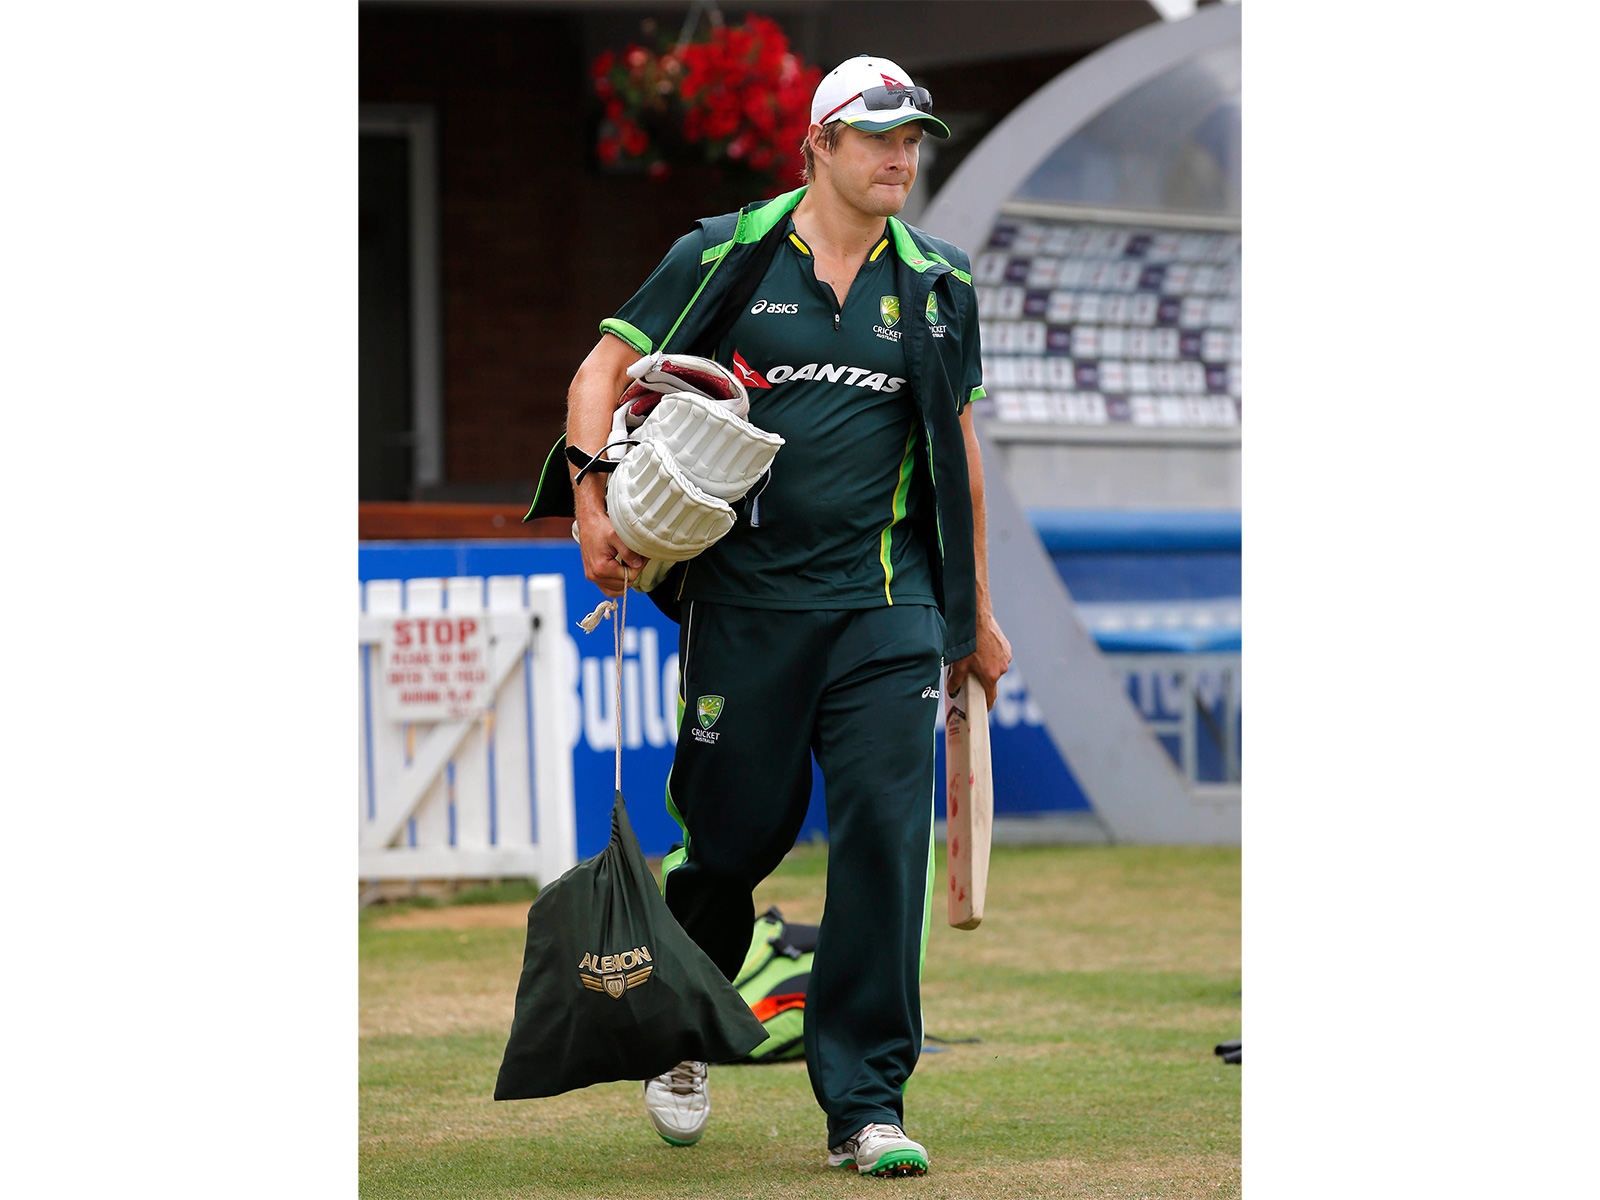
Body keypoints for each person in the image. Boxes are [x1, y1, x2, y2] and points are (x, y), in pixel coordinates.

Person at [561, 53, 1011, 1178]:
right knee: (729, 843)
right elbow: (598, 374)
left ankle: (866, 1103)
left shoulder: (940, 281)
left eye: (913, 137)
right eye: (876, 137)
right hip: (747, 606)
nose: (900, 155)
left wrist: (975, 615)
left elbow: (954, 453)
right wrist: (589, 500)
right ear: (817, 144)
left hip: (886, 611)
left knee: (879, 842)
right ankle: (680, 1028)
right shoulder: (724, 250)